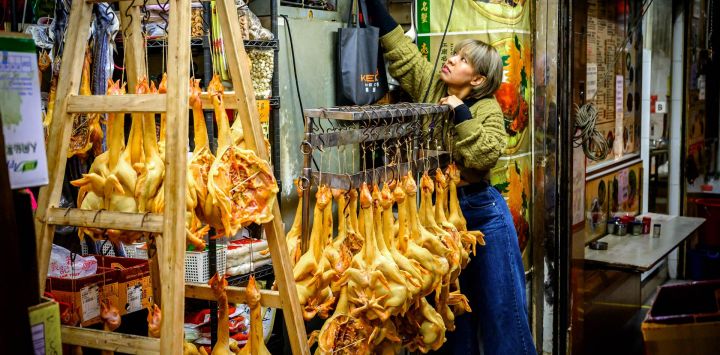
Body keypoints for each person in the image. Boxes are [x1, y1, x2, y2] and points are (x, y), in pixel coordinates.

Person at [365, 2, 536, 355]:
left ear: (477, 80)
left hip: (483, 215)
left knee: (503, 313)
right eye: (454, 54)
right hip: (439, 219)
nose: (452, 60)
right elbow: (402, 52)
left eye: (462, 60)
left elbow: (484, 155)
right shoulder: (430, 86)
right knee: (452, 316)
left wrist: (460, 112)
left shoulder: (486, 108)